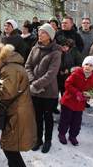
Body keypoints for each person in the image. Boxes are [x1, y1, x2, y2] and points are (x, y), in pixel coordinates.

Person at [0, 42, 37, 167]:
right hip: (17, 110)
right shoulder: (10, 65)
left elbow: (6, 93)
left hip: (17, 113)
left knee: (10, 149)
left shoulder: (8, 68)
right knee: (12, 147)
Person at [25, 23, 62, 153]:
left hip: (48, 92)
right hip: (34, 91)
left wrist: (37, 84)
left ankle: (48, 141)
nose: (39, 35)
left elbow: (51, 74)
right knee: (37, 117)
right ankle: (38, 139)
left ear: (50, 36)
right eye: (39, 32)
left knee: (47, 117)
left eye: (43, 33)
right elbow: (28, 65)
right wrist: (33, 82)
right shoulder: (35, 48)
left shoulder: (56, 52)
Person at [57, 56, 93, 146]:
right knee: (65, 119)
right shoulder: (76, 73)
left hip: (80, 104)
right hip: (69, 100)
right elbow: (67, 84)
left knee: (76, 122)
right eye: (86, 64)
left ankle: (73, 136)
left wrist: (89, 95)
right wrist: (77, 93)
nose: (88, 67)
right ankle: (62, 133)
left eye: (90, 65)